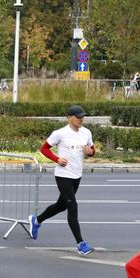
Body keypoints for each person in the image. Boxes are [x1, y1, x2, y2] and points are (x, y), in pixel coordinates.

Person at [28, 105, 95, 256]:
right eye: (78, 117)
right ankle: (81, 244)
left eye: (82, 117)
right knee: (72, 206)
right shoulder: (60, 133)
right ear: (69, 118)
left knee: (61, 205)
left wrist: (90, 152)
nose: (81, 119)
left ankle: (36, 220)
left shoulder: (86, 132)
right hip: (63, 175)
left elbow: (92, 150)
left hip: (77, 175)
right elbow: (44, 149)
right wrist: (57, 159)